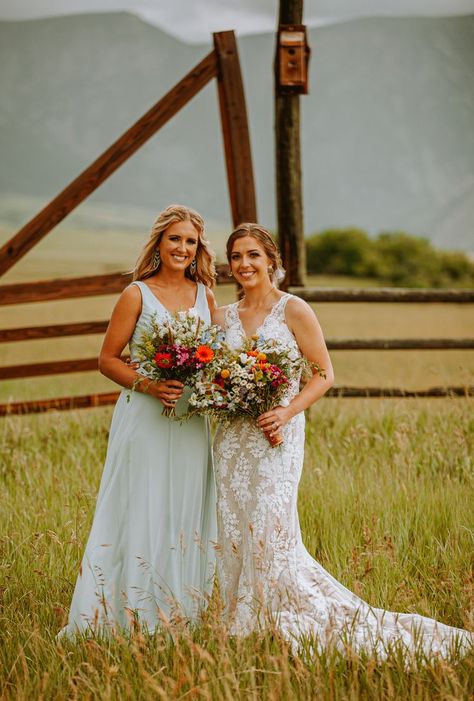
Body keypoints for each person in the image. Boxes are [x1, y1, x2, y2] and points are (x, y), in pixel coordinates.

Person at [211, 222, 473, 657]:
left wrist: (287, 410)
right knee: (236, 527)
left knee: (272, 527)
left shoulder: (294, 310)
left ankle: (280, 615)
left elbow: (324, 374)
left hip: (278, 437)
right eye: (236, 256)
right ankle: (242, 617)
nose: (244, 264)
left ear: (272, 260)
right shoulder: (223, 317)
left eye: (253, 254)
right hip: (234, 440)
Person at [59, 204, 217, 638]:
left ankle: (179, 614)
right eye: (175, 239)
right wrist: (149, 385)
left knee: (183, 511)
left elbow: (215, 356)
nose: (182, 248)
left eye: (190, 241)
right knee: (141, 505)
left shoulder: (205, 294)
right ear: (159, 243)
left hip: (190, 422)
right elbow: (107, 360)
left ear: (197, 247)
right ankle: (121, 615)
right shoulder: (136, 294)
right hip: (144, 417)